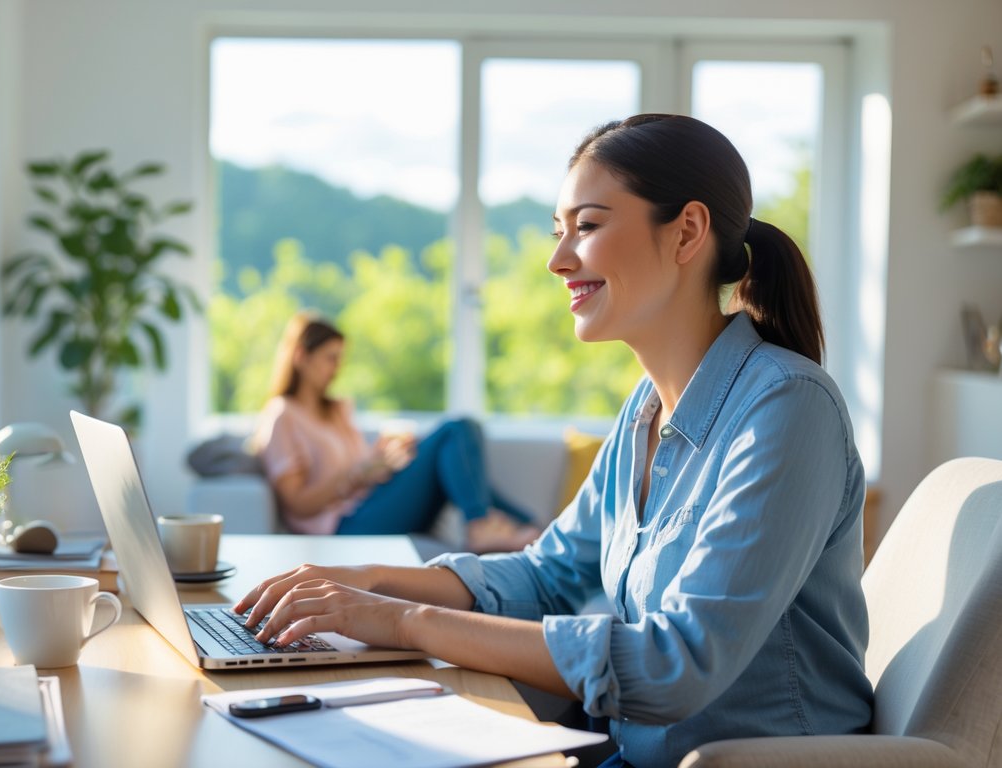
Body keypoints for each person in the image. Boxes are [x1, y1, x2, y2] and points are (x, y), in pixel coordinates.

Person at [234, 114, 874, 768]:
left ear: (686, 232)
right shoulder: (642, 413)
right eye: (558, 231)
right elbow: (549, 573)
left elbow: (674, 665)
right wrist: (360, 585)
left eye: (588, 226)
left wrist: (397, 620)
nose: (556, 259)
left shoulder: (786, 407)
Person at [251, 311, 539, 553]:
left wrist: (380, 458)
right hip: (344, 527)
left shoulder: (336, 410)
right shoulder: (283, 415)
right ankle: (486, 525)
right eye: (330, 358)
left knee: (455, 449)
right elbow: (297, 505)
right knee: (456, 430)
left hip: (370, 502)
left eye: (341, 359)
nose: (337, 369)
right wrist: (354, 476)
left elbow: (358, 467)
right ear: (301, 357)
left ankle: (531, 525)